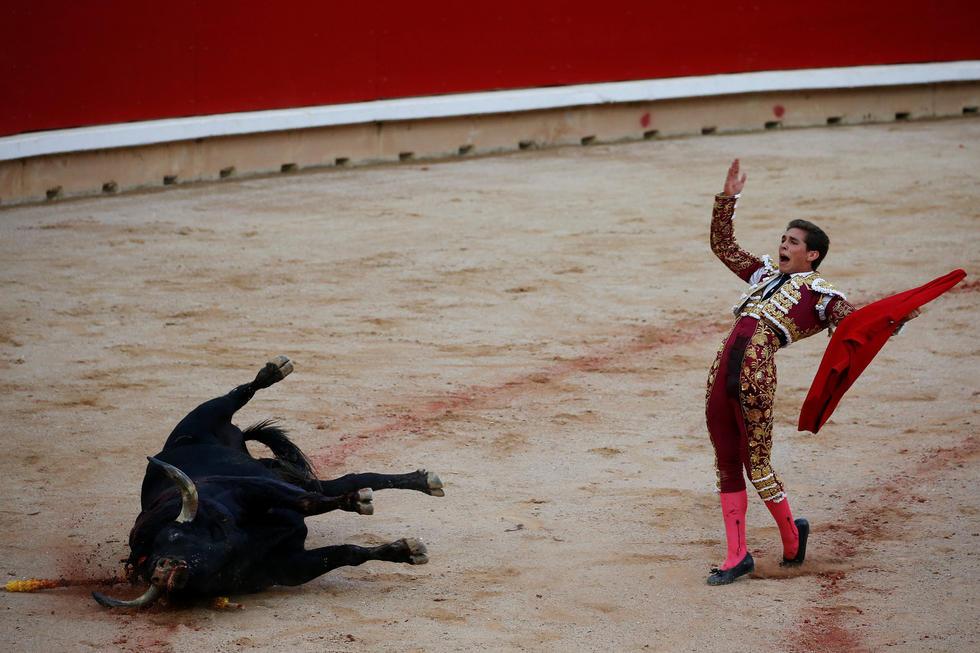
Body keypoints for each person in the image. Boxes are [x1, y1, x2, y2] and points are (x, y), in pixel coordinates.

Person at [703, 159, 916, 585]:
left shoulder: (822, 295)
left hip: (755, 379)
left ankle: (789, 535)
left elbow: (857, 327)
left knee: (757, 466)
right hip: (720, 372)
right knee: (726, 462)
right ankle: (737, 555)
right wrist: (727, 199)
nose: (783, 244)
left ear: (811, 254)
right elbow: (723, 247)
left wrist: (895, 317)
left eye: (792, 242)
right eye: (783, 238)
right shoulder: (764, 274)